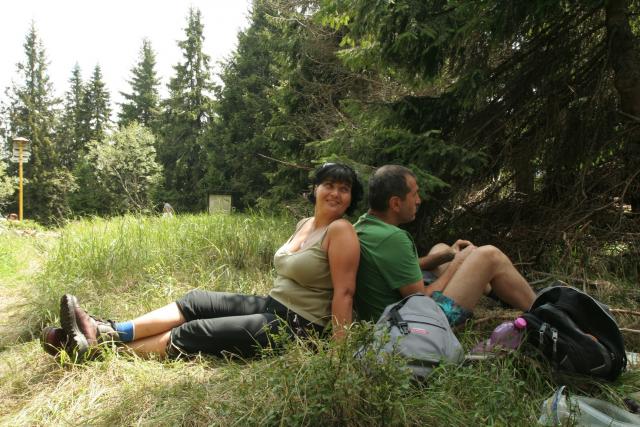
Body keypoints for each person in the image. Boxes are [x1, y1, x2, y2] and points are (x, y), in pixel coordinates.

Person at [41, 163, 363, 360]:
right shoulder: (305, 224)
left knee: (195, 331)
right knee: (196, 300)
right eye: (329, 185)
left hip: (299, 327)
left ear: (350, 198)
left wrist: (337, 354)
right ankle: (108, 331)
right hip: (273, 306)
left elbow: (344, 293)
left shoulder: (341, 231)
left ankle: (99, 349)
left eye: (344, 189)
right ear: (315, 189)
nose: (335, 193)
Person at [353, 165, 536, 326]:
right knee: (489, 255)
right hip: (422, 326)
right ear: (395, 203)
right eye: (414, 194)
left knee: (440, 249)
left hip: (395, 316)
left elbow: (397, 268)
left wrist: (446, 256)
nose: (418, 200)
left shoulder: (363, 227)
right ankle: (542, 312)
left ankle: (502, 295)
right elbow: (421, 300)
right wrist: (458, 263)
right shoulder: (393, 238)